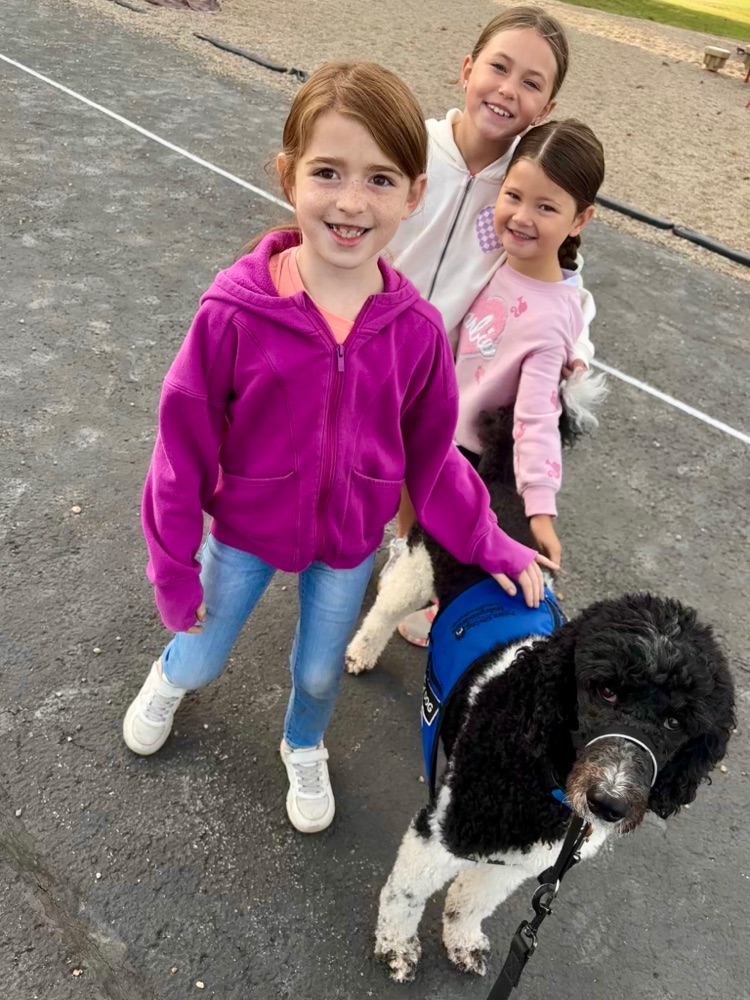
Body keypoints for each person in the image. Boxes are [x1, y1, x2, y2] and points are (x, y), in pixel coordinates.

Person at [122, 62, 556, 835]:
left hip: (348, 542)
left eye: (380, 179)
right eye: (328, 172)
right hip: (245, 532)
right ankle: (171, 678)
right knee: (200, 651)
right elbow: (180, 453)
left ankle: (303, 742)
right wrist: (173, 566)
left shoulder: (416, 333)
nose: (352, 202)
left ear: (413, 194)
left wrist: (491, 542)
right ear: (288, 174)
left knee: (321, 673)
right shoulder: (232, 314)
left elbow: (433, 460)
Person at [379, 7, 596, 585]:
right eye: (498, 67)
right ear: (467, 68)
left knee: (421, 462)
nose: (507, 89)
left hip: (441, 365)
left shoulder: (524, 182)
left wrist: (577, 348)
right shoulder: (413, 148)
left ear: (545, 107)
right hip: (368, 338)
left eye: (531, 82)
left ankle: (404, 544)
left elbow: (565, 279)